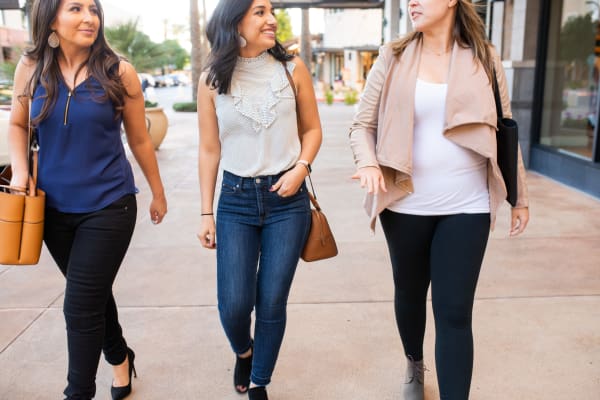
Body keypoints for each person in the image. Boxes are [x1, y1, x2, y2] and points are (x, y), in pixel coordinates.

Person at [349, 1, 529, 399]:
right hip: (406, 204)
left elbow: (505, 129)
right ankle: (414, 363)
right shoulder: (392, 57)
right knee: (410, 295)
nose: (412, 2)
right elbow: (363, 125)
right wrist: (369, 164)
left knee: (454, 313)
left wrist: (520, 197)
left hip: (467, 206)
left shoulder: (484, 56)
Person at [7, 0, 167, 399]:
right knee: (92, 295)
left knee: (78, 306)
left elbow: (140, 138)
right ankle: (121, 357)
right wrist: (21, 172)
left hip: (110, 204)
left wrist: (157, 192)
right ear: (51, 19)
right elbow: (16, 122)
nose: (89, 17)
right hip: (53, 209)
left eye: (93, 9)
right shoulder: (31, 67)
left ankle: (78, 393)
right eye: (75, 8)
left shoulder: (119, 71)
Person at [197, 1, 322, 399]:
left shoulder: (291, 68)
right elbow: (209, 149)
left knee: (271, 301)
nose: (271, 19)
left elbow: (313, 130)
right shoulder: (212, 78)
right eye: (259, 12)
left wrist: (301, 167)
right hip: (235, 200)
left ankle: (259, 382)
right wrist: (205, 212)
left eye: (271, 10)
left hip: (288, 202)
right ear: (234, 22)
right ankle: (244, 350)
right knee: (234, 304)